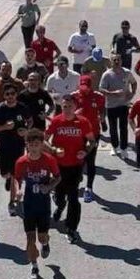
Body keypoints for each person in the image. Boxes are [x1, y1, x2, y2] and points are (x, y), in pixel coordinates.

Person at [45, 94, 95, 243]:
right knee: (60, 196)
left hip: (75, 166)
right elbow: (44, 140)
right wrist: (53, 150)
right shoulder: (56, 121)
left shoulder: (83, 122)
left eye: (69, 106)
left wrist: (85, 151)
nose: (66, 109)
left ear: (75, 107)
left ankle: (71, 228)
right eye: (64, 106)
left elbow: (92, 141)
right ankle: (60, 206)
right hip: (59, 166)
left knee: (74, 198)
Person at [11, 130, 60, 279]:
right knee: (30, 239)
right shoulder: (21, 162)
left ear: (42, 146)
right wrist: (18, 190)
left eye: (37, 145)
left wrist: (49, 186)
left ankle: (45, 244)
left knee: (42, 237)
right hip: (29, 204)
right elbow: (16, 178)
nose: (33, 148)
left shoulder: (49, 160)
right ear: (27, 145)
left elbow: (58, 177)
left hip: (43, 204)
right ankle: (34, 266)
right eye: (31, 144)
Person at [0, 83, 34, 216]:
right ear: (4, 96)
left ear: (16, 95)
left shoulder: (22, 108)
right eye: (7, 94)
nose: (10, 96)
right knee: (5, 174)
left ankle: (12, 202)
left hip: (18, 145)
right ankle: (8, 177)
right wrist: (4, 127)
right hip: (3, 146)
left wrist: (26, 131)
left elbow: (30, 121)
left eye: (12, 94)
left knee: (16, 174)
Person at [74, 75, 107, 203]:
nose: (84, 90)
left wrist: (103, 121)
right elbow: (67, 111)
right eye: (82, 87)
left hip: (93, 133)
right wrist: (76, 113)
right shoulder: (74, 96)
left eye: (87, 87)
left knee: (90, 160)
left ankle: (89, 188)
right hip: (77, 133)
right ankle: (76, 181)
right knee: (77, 159)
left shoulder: (98, 96)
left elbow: (102, 109)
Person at [100, 53, 138, 157]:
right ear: (111, 62)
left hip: (123, 104)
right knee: (113, 128)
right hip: (111, 105)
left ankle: (124, 148)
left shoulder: (127, 72)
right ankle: (115, 147)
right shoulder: (107, 75)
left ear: (121, 61)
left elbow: (134, 83)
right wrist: (113, 93)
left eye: (118, 60)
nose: (116, 62)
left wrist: (132, 93)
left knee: (123, 127)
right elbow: (101, 89)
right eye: (114, 60)